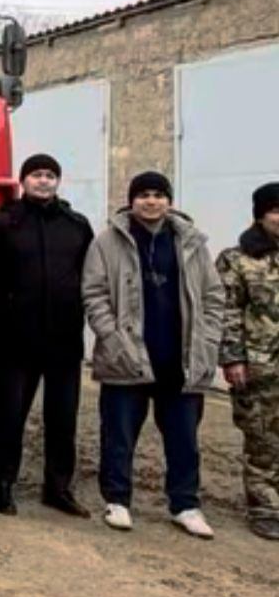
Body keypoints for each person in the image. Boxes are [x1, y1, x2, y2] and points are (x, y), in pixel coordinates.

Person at [83, 172, 223, 537]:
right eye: (143, 194)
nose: (151, 201)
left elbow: (212, 295)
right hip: (126, 356)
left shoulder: (191, 242)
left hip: (180, 358)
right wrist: (112, 337)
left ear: (169, 201)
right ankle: (117, 501)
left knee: (184, 439)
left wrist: (208, 338)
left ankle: (185, 505)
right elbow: (94, 294)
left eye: (159, 195)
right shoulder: (107, 242)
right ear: (131, 200)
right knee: (119, 435)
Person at [0, 153, 94, 517]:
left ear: (58, 181)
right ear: (23, 181)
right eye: (36, 175)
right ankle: (2, 484)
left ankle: (58, 488)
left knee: (62, 419)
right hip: (17, 339)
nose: (43, 181)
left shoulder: (77, 225)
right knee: (10, 416)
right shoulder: (5, 223)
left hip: (64, 338)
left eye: (49, 175)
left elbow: (88, 277)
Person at [216, 182, 279, 540]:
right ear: (260, 215)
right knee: (262, 439)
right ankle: (266, 508)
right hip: (259, 367)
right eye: (275, 210)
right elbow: (227, 311)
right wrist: (233, 358)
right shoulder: (237, 259)